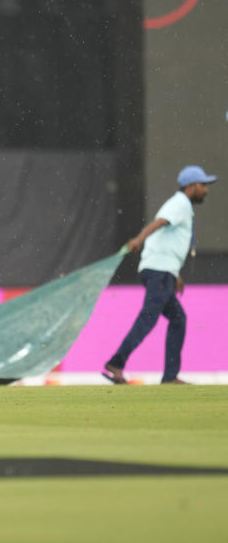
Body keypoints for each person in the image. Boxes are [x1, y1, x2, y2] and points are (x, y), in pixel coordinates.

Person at [103, 165, 216, 386]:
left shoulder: (181, 205)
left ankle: (169, 376)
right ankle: (117, 362)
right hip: (158, 270)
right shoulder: (180, 203)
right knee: (149, 317)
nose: (206, 190)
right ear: (191, 186)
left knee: (178, 319)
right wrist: (139, 239)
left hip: (163, 270)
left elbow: (167, 238)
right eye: (203, 185)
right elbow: (160, 223)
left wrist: (175, 274)